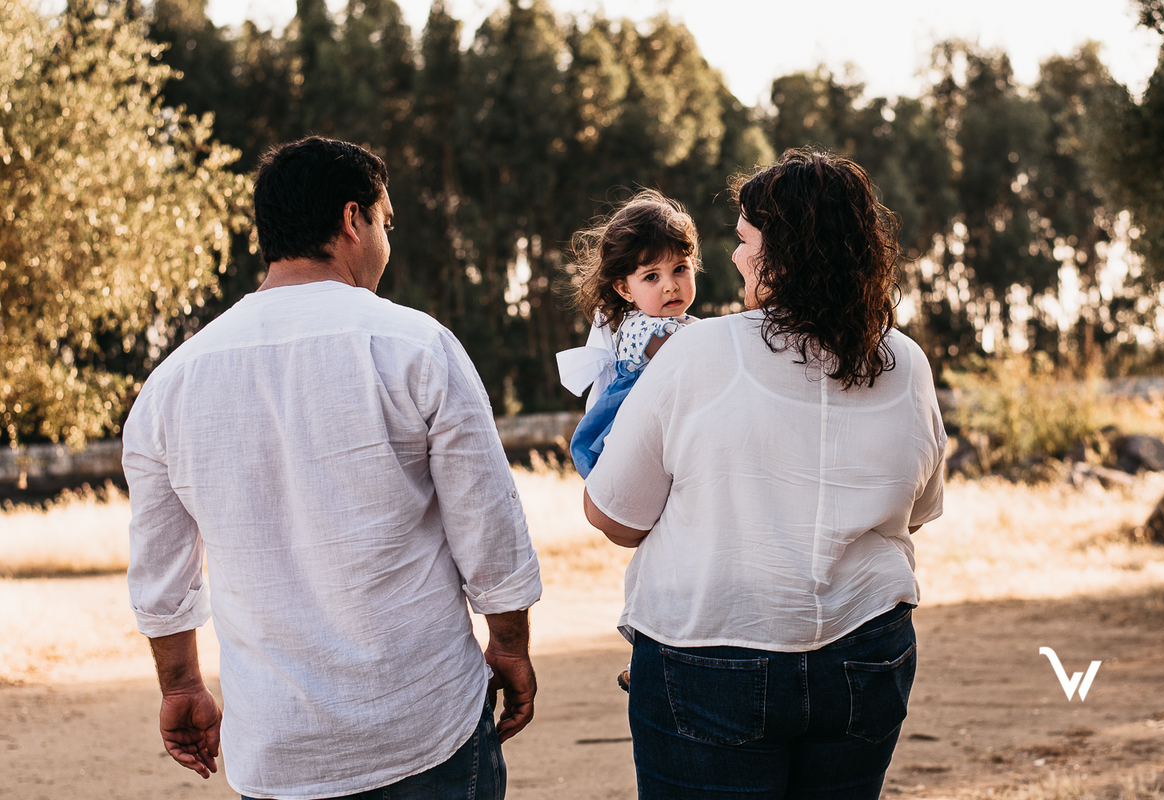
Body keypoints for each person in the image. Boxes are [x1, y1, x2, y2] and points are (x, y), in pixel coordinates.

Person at [123, 136, 542, 800]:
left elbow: (160, 572)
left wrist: (180, 685)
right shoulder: (416, 347)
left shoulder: (171, 384)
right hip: (424, 725)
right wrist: (510, 645)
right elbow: (488, 527)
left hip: (279, 747)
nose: (387, 243)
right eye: (387, 222)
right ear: (354, 220)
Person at [581, 149, 947, 799]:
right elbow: (917, 508)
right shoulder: (906, 362)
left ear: (780, 255)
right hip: (868, 655)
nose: (734, 258)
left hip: (712, 655)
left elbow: (615, 516)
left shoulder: (697, 350)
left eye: (745, 241)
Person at [555, 190, 700, 479]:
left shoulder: (678, 322)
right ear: (624, 289)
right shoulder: (645, 328)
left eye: (680, 268)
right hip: (641, 435)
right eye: (652, 276)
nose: (670, 285)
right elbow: (694, 355)